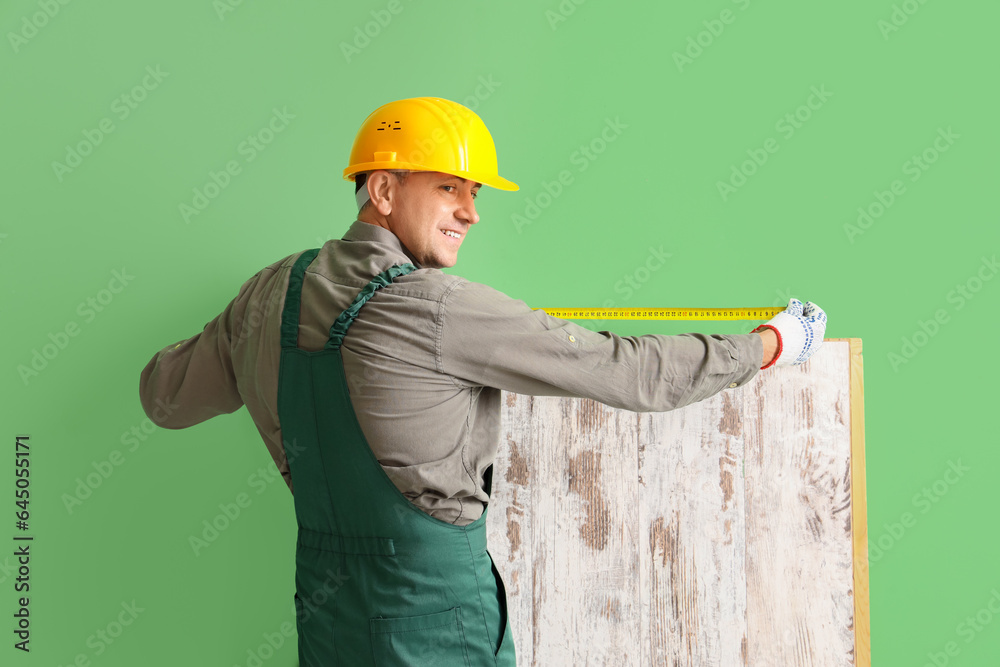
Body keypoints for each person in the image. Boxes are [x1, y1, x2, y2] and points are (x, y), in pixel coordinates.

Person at [138, 96, 827, 667]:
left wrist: (240, 333)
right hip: (433, 625)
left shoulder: (269, 293)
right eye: (449, 187)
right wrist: (773, 343)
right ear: (383, 189)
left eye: (473, 192)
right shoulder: (437, 307)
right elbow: (630, 370)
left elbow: (163, 398)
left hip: (328, 622)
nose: (472, 211)